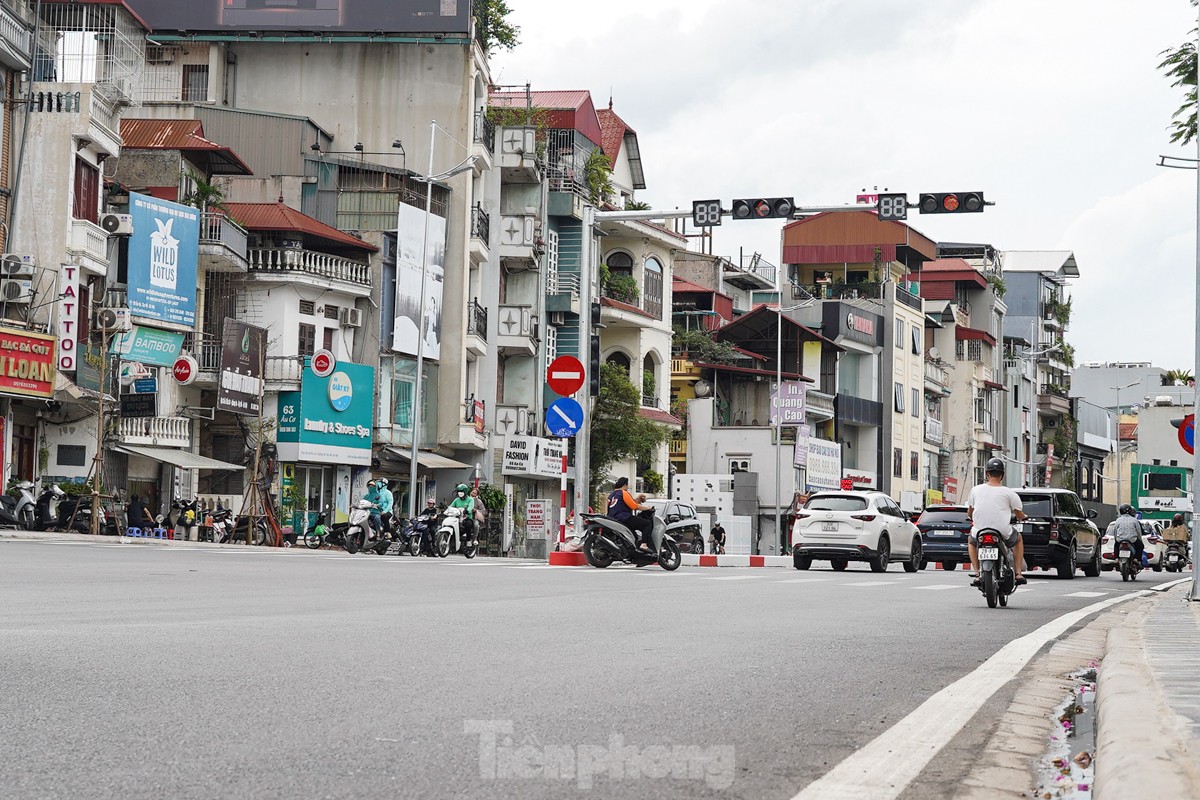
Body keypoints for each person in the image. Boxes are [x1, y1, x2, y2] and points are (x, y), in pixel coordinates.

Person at [966, 458, 1028, 586]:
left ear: (987, 473)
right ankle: (1018, 573)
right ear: (1002, 475)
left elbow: (970, 511)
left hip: (980, 531)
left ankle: (977, 573)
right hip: (1002, 531)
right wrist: (1024, 516)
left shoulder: (975, 490)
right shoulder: (1009, 493)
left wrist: (971, 517)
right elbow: (1018, 514)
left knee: (971, 542)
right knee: (1018, 539)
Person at [606, 477, 653, 551]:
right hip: (624, 518)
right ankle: (644, 544)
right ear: (625, 485)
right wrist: (648, 508)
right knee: (647, 524)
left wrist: (638, 499)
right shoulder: (624, 492)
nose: (627, 488)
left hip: (613, 519)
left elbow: (627, 503)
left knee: (634, 535)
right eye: (627, 486)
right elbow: (634, 506)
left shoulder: (611, 495)